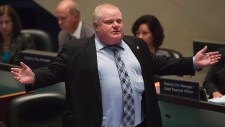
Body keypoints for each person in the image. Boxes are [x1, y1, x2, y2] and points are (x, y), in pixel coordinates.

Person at [11, 3, 221, 127]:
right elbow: (55, 70)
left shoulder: (136, 44)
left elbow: (159, 63)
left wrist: (192, 62)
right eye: (109, 22)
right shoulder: (77, 49)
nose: (116, 25)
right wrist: (35, 77)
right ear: (95, 26)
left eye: (119, 21)